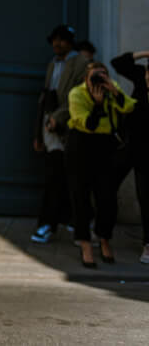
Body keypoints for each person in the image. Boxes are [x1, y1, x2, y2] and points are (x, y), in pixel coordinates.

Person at [66, 62, 136, 267]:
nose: (99, 80)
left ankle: (104, 238)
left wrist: (113, 90)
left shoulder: (111, 88)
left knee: (107, 198)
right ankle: (85, 243)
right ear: (85, 80)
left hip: (105, 148)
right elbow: (87, 124)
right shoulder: (76, 94)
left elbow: (129, 106)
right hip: (80, 145)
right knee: (80, 197)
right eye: (94, 77)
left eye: (103, 76)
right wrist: (97, 104)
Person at [31, 24, 88, 244]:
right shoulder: (52, 64)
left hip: (71, 127)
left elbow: (78, 96)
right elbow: (45, 97)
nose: (57, 43)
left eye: (62, 39)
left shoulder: (80, 63)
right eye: (55, 39)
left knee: (68, 178)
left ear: (70, 41)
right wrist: (39, 131)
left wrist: (60, 117)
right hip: (50, 127)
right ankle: (55, 222)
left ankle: (53, 223)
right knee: (55, 175)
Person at [110, 50, 149, 264]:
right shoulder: (140, 77)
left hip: (146, 155)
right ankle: (102, 232)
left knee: (146, 199)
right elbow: (117, 62)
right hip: (128, 147)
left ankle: (147, 244)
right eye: (148, 74)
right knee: (107, 184)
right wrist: (145, 53)